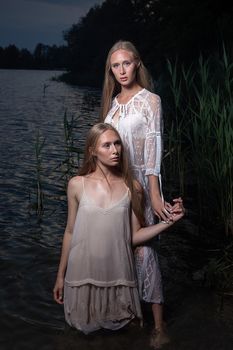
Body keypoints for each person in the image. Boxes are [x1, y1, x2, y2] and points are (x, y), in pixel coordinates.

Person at [53, 123, 184, 336]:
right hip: (82, 274)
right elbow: (70, 231)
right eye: (106, 145)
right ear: (92, 151)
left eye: (117, 144)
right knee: (81, 336)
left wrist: (169, 221)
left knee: (127, 333)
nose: (115, 150)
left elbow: (134, 236)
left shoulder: (132, 187)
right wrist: (60, 275)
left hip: (118, 274)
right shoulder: (77, 184)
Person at [100, 40, 180, 347]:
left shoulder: (151, 101)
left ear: (137, 64)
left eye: (126, 63)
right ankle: (134, 316)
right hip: (113, 188)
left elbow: (153, 150)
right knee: (120, 251)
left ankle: (159, 327)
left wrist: (155, 194)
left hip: (140, 189)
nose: (121, 70)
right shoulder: (112, 102)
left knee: (145, 251)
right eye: (115, 65)